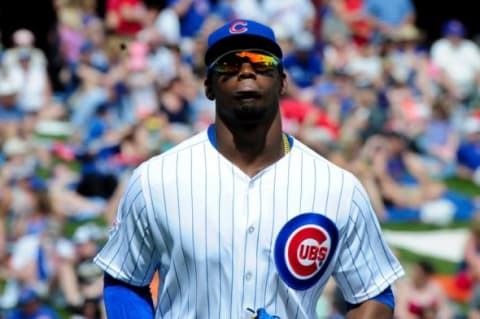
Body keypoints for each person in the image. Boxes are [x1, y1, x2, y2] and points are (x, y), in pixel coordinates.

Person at [94, 18, 404, 318]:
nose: (245, 71)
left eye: (261, 61)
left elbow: (373, 293)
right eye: (229, 64)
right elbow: (125, 279)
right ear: (209, 86)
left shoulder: (338, 188)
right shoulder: (156, 179)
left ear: (282, 81)